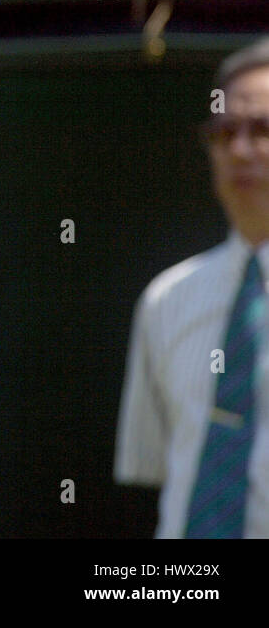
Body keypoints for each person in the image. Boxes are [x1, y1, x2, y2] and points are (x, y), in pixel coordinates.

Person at [115, 36, 269, 537]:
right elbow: (156, 467)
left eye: (263, 129)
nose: (241, 150)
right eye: (225, 132)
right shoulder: (167, 298)